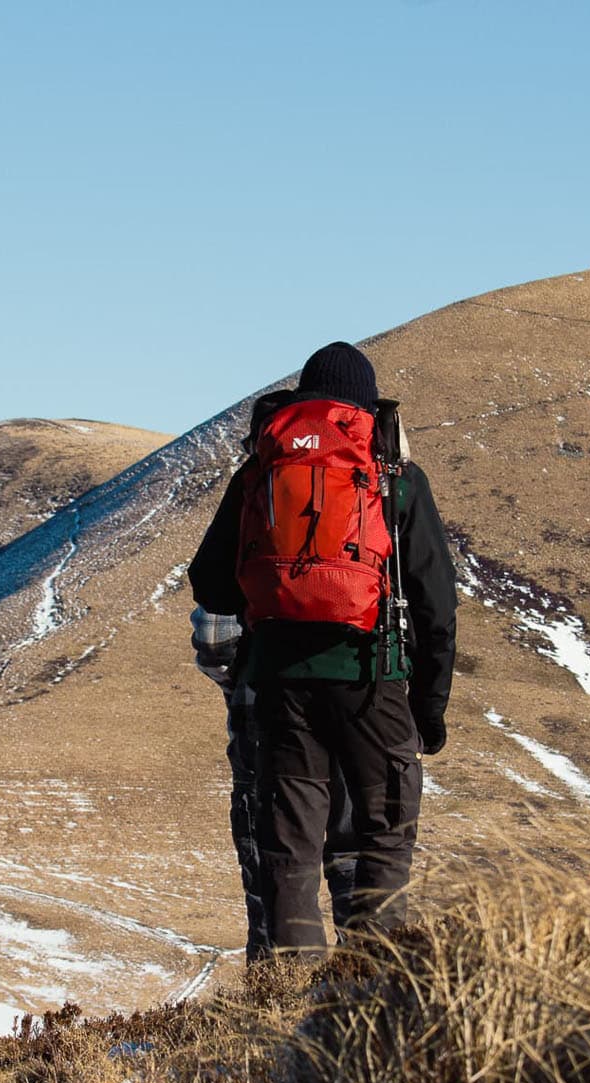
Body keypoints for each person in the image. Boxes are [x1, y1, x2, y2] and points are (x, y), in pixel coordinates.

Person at [190, 341, 457, 954]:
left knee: (291, 849)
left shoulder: (263, 469)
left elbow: (208, 581)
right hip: (373, 680)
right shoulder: (393, 477)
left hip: (281, 682)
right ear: (366, 407)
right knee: (383, 836)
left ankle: (290, 996)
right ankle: (374, 984)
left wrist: (280, 591)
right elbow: (437, 606)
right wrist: (430, 709)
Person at [190, 605, 358, 961]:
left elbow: (215, 637)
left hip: (267, 706)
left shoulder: (242, 544)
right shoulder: (392, 544)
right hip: (362, 703)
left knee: (278, 861)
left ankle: (281, 1000)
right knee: (358, 853)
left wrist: (246, 680)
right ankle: (370, 990)